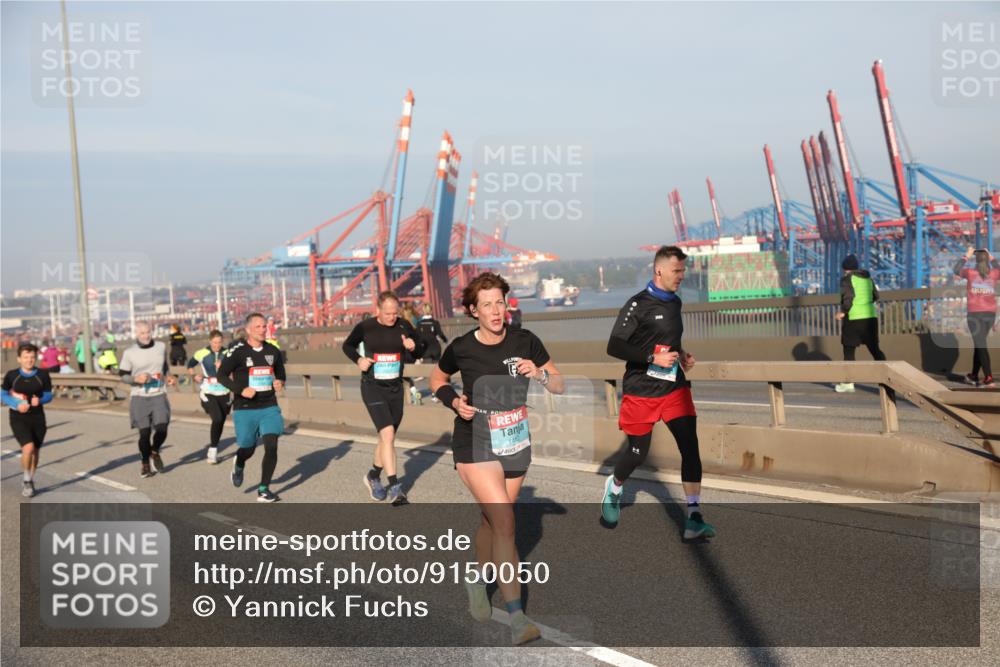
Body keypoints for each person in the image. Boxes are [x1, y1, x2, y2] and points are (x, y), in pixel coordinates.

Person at [430, 272, 564, 645]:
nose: (495, 310)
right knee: (505, 521)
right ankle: (518, 617)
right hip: (473, 442)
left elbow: (559, 382)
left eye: (500, 302)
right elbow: (436, 380)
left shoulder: (525, 340)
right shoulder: (461, 347)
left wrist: (539, 374)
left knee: (492, 520)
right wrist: (453, 401)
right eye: (486, 304)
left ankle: (476, 578)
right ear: (473, 310)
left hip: (514, 442)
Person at [601, 245, 714, 540]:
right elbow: (614, 346)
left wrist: (683, 355)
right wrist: (653, 358)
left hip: (674, 388)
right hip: (642, 391)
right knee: (638, 452)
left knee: (690, 446)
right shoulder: (637, 305)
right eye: (677, 271)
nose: (682, 276)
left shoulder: (675, 302)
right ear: (659, 270)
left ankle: (693, 516)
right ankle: (614, 487)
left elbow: (669, 340)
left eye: (683, 270)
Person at [343, 291, 426, 506]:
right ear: (377, 310)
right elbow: (347, 345)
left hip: (395, 388)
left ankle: (372, 476)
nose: (392, 317)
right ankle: (396, 488)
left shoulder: (404, 325)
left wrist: (413, 347)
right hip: (372, 387)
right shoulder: (366, 327)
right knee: (388, 434)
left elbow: (420, 350)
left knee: (385, 438)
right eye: (387, 313)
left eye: (394, 313)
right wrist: (359, 360)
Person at [217, 313, 287, 502]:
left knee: (271, 445)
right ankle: (239, 463)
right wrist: (240, 389)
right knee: (248, 448)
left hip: (269, 405)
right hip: (245, 407)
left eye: (265, 326)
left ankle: (263, 489)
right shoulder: (238, 351)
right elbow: (221, 375)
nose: (263, 330)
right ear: (248, 330)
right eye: (258, 327)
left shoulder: (273, 351)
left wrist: (280, 382)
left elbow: (280, 373)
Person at [119, 322, 176, 478]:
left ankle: (154, 451)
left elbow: (164, 367)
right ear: (137, 334)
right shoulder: (129, 352)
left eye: (148, 332)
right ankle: (145, 464)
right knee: (144, 434)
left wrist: (169, 377)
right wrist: (135, 378)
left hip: (158, 393)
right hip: (139, 396)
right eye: (142, 333)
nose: (146, 335)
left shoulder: (161, 347)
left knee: (162, 428)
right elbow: (122, 375)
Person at [2, 343, 53, 498]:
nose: (29, 360)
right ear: (19, 359)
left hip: (37, 417)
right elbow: (2, 394)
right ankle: (26, 479)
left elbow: (49, 395)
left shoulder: (42, 374)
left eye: (32, 357)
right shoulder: (12, 375)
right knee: (28, 448)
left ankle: (30, 478)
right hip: (18, 417)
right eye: (26, 357)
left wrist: (42, 400)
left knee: (36, 451)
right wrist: (17, 404)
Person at [834, 254, 886, 393]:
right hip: (870, 318)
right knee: (875, 349)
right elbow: (876, 296)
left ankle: (848, 383)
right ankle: (888, 378)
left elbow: (848, 298)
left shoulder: (847, 279)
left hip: (854, 319)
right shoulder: (868, 279)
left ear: (846, 269)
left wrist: (843, 312)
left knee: (849, 350)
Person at [954, 247, 1000, 388]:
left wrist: (966, 255)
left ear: (975, 260)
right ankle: (974, 375)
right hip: (990, 314)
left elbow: (956, 269)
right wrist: (992, 257)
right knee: (979, 345)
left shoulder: (970, 272)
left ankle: (989, 378)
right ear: (987, 260)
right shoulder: (994, 273)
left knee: (981, 345)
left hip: (974, 314)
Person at [187, 330, 233, 463]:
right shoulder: (202, 353)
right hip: (208, 391)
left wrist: (224, 367)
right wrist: (194, 375)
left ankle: (213, 447)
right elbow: (190, 365)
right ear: (210, 341)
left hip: (224, 391)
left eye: (219, 342)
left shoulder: (228, 353)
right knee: (217, 418)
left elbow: (235, 370)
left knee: (220, 421)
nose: (217, 345)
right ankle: (213, 451)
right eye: (214, 342)